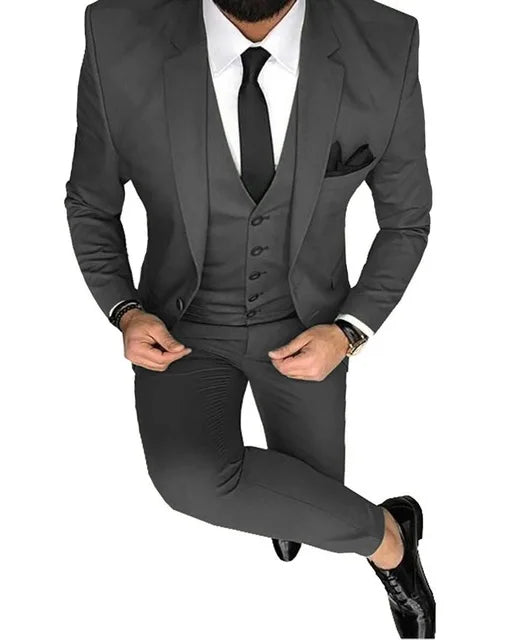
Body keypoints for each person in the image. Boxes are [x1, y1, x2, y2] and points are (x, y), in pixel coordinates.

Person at [65, 0, 435, 636]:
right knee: (189, 480)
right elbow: (91, 204)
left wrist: (347, 332)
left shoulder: (386, 41)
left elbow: (405, 222)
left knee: (315, 494)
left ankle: (296, 511)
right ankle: (390, 537)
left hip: (308, 325)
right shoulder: (115, 35)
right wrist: (124, 310)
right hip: (181, 326)